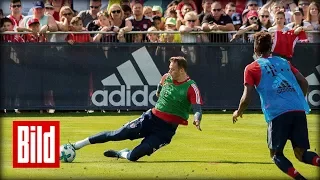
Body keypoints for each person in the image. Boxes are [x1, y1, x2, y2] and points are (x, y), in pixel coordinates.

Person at [70, 56, 203, 162]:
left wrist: (197, 119)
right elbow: (161, 83)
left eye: (172, 69)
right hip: (150, 119)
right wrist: (158, 91)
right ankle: (76, 145)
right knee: (116, 135)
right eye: (169, 68)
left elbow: (197, 108)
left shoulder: (191, 87)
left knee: (134, 156)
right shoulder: (167, 77)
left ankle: (122, 153)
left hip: (165, 131)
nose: (169, 71)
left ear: (182, 70)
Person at [232, 31, 320, 180]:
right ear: (271, 47)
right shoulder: (284, 62)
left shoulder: (252, 68)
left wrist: (238, 111)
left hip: (278, 113)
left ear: (255, 48)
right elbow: (304, 82)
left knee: (276, 155)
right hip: (298, 109)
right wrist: (299, 101)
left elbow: (246, 97)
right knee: (302, 153)